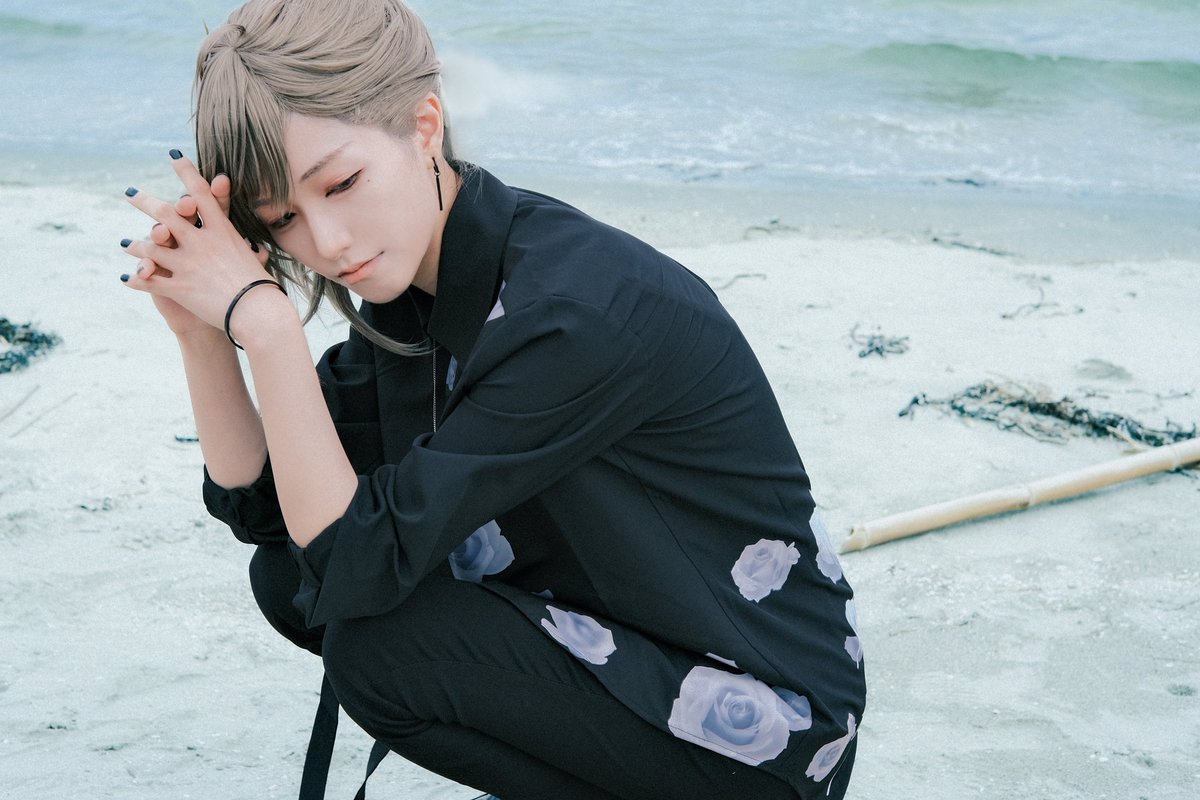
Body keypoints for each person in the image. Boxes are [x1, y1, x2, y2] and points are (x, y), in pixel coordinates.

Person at [118, 1, 866, 798]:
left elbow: (351, 555)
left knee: (382, 649)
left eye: (342, 183)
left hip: (764, 723)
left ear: (423, 125)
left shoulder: (568, 314)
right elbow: (272, 513)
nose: (327, 243)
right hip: (616, 642)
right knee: (287, 582)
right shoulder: (415, 290)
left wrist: (270, 329)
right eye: (283, 220)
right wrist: (203, 336)